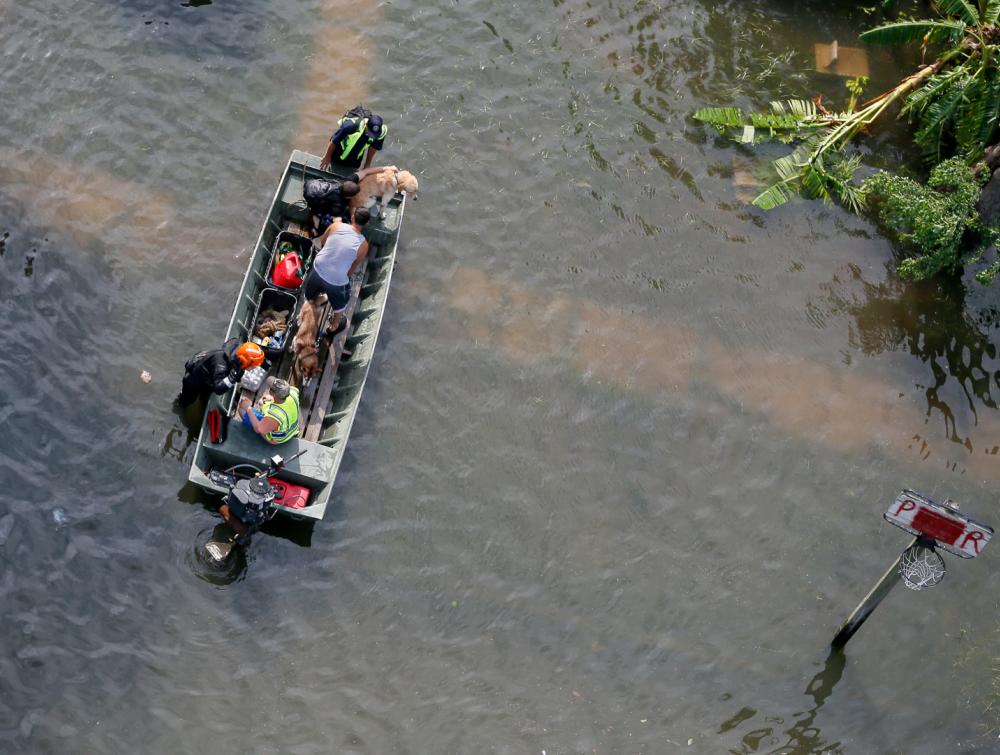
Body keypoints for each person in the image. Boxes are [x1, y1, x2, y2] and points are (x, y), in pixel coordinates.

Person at [303, 206, 371, 336]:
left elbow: (322, 242)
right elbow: (354, 266)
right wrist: (343, 280)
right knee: (340, 304)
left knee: (309, 296)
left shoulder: (336, 226)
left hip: (318, 267)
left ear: (352, 217)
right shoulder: (364, 245)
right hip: (337, 280)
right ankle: (334, 326)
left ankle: (305, 312)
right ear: (367, 223)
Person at [179, 341, 264, 407]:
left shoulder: (237, 356)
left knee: (204, 398)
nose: (254, 368)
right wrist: (232, 377)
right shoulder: (221, 365)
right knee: (186, 402)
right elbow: (219, 389)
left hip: (208, 376)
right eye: (253, 365)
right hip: (194, 379)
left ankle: (202, 402)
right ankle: (181, 405)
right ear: (245, 361)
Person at [238, 377, 300, 444]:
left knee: (241, 410)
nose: (269, 389)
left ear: (274, 394)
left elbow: (258, 429)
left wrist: (248, 408)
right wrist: (272, 398)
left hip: (278, 439)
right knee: (262, 402)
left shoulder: (274, 416)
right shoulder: (293, 392)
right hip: (292, 430)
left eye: (271, 389)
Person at [320, 113, 388, 171]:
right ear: (366, 125)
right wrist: (327, 157)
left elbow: (373, 147)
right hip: (339, 151)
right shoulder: (351, 126)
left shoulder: (381, 133)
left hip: (356, 157)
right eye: (369, 133)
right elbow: (334, 141)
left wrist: (367, 164)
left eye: (374, 135)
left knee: (351, 175)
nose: (371, 136)